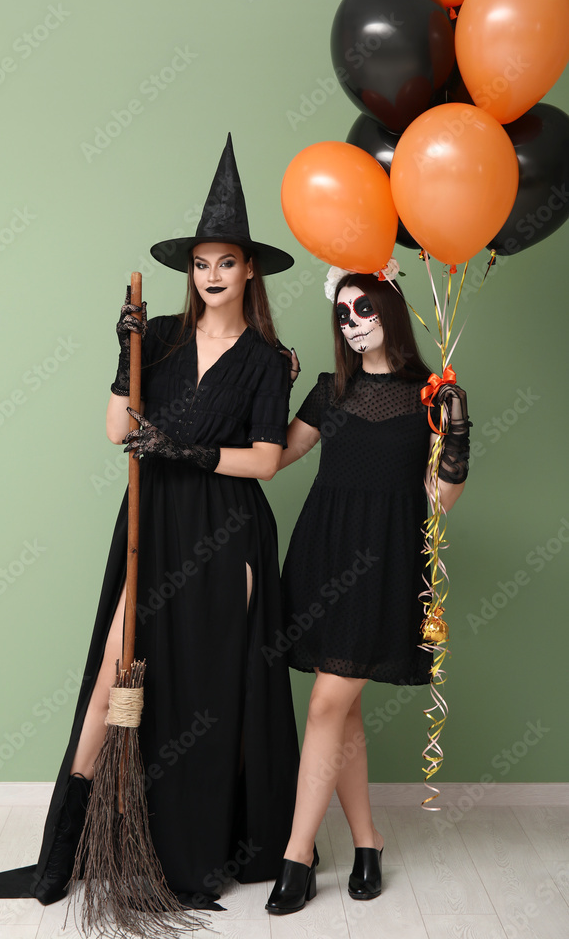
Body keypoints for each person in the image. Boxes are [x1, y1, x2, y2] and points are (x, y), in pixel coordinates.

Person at [0, 134, 300, 910]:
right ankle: (62, 856)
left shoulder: (266, 359)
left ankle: (199, 850)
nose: (213, 274)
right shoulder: (154, 337)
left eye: (226, 261)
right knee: (112, 684)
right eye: (201, 262)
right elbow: (119, 431)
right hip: (152, 525)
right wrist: (123, 349)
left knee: (210, 696)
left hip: (227, 531)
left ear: (248, 269)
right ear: (186, 271)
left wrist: (187, 451)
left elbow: (262, 461)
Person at [265, 266, 470, 914]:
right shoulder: (329, 392)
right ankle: (366, 842)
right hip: (322, 556)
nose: (351, 322)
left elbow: (440, 498)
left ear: (387, 305)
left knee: (328, 703)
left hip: (383, 562)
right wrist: (275, 385)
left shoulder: (429, 394)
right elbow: (273, 460)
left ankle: (296, 856)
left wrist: (457, 430)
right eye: (342, 314)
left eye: (361, 309)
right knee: (341, 710)